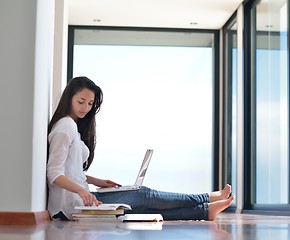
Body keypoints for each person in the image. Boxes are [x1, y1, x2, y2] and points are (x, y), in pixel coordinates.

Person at [46, 76, 235, 221]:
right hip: (71, 205)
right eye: (81, 102)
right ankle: (206, 198)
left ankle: (205, 211)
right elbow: (54, 172)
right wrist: (82, 191)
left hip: (82, 199)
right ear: (69, 97)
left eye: (90, 103)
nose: (86, 108)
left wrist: (97, 180)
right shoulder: (65, 127)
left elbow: (70, 169)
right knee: (144, 195)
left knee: (142, 208)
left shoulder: (72, 127)